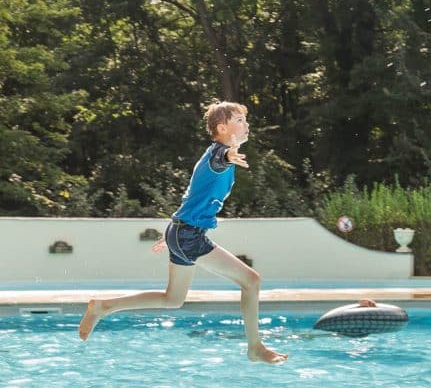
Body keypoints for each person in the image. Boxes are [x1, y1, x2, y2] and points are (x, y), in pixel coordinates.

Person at [78, 100, 288, 364]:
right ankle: (255, 347)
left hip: (182, 232)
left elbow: (192, 198)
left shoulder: (213, 155)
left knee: (172, 300)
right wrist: (228, 155)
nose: (247, 125)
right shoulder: (218, 155)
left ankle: (104, 306)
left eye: (246, 120)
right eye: (240, 121)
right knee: (252, 281)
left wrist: (171, 235)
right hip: (188, 236)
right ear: (222, 128)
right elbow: (220, 160)